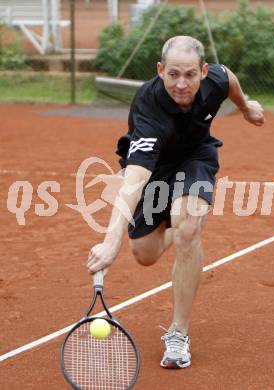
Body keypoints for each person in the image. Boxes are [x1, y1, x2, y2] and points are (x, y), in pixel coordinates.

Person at [87, 35, 264, 369]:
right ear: (160, 70)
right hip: (154, 170)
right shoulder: (148, 108)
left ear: (203, 71)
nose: (181, 84)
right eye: (173, 75)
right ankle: (180, 228)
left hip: (196, 157)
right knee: (145, 254)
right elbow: (134, 180)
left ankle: (178, 332)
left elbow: (230, 80)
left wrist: (246, 107)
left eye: (190, 75)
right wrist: (111, 242)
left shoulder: (216, 79)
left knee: (188, 227)